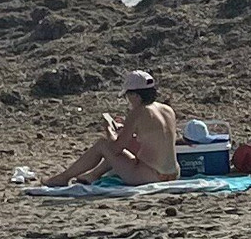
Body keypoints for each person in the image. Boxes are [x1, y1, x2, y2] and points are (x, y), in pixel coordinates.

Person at [43, 70, 179, 187]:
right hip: (173, 173)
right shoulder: (167, 110)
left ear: (135, 95)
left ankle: (63, 178)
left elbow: (116, 149)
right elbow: (153, 138)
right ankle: (92, 175)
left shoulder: (137, 112)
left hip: (149, 175)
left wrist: (109, 130)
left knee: (103, 144)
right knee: (125, 146)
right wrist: (123, 130)